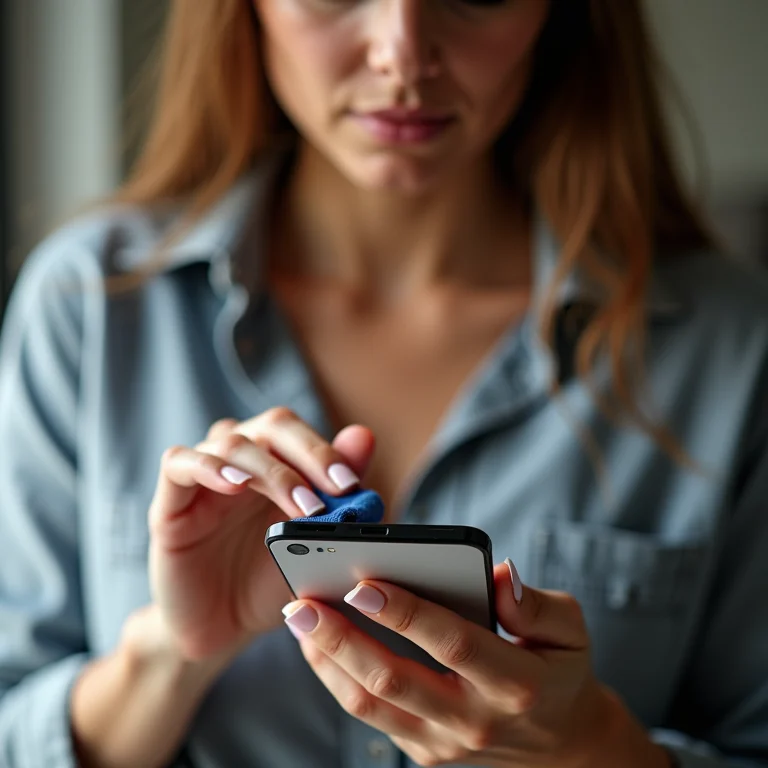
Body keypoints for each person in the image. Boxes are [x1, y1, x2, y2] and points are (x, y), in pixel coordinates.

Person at [1, 0, 767, 766]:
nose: (403, 54)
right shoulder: (90, 305)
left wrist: (599, 749)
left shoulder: (731, 346)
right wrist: (168, 653)